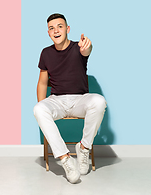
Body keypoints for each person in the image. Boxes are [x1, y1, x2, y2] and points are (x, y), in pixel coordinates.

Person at [34, 13, 106, 183]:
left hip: (80, 99)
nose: (56, 30)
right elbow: (42, 83)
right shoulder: (45, 53)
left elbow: (86, 50)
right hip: (56, 100)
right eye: (52, 28)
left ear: (67, 29)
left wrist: (87, 47)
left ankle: (83, 148)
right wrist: (42, 108)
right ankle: (65, 159)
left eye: (60, 26)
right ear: (48, 33)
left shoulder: (78, 47)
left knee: (99, 101)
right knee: (38, 109)